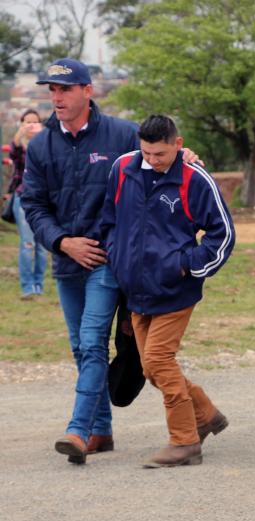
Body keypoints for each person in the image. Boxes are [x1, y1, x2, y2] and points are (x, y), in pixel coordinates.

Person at [22, 58, 141, 464]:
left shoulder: (123, 135)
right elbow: (33, 205)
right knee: (80, 347)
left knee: (92, 343)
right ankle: (102, 431)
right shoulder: (40, 146)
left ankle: (78, 430)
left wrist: (186, 153)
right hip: (66, 262)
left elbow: (162, 158)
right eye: (52, 90)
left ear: (87, 91)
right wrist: (62, 242)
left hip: (107, 260)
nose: (56, 97)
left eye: (65, 89)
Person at [98, 114, 235, 467]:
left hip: (175, 291)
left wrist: (186, 266)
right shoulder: (123, 168)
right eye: (146, 152)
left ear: (178, 143)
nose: (152, 160)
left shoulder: (194, 178)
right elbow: (109, 220)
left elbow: (223, 234)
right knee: (150, 369)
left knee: (159, 361)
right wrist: (116, 255)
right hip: (135, 292)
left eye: (159, 153)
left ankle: (185, 441)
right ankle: (205, 413)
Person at [5, 108, 47, 299]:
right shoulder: (19, 146)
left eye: (34, 122)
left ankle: (38, 284)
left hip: (44, 199)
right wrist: (19, 136)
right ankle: (27, 286)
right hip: (23, 197)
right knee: (27, 243)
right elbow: (14, 155)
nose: (31, 125)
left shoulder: (46, 144)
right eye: (27, 122)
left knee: (41, 245)